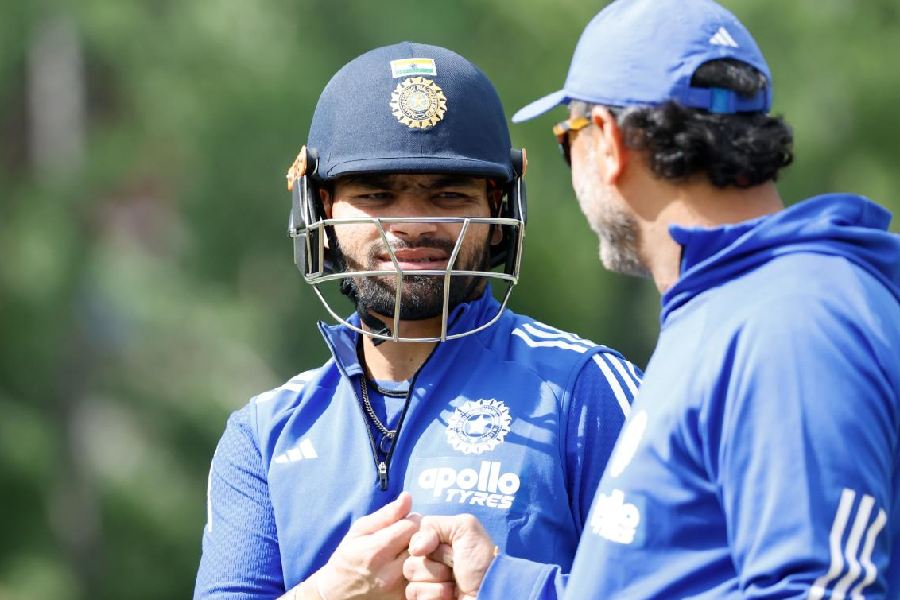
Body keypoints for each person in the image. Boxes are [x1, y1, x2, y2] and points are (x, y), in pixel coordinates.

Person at [404, 0, 900, 598]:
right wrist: (504, 586)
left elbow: (819, 590)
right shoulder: (728, 306)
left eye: (569, 140)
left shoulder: (791, 320)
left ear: (607, 141)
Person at [193, 42, 641, 599]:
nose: (411, 224)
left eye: (448, 194)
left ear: (498, 209)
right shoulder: (266, 434)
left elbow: (692, 586)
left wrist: (508, 588)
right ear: (322, 210)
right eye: (377, 194)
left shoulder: (584, 389)